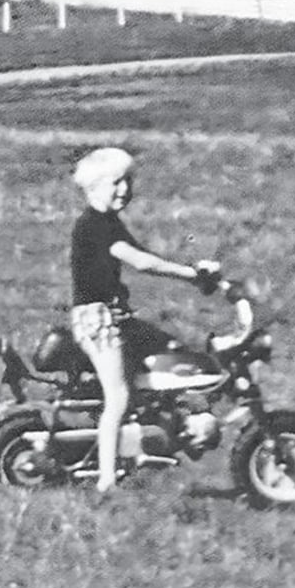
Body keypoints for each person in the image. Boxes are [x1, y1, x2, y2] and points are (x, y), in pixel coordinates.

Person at [68, 147, 220, 492]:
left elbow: (142, 255)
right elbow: (140, 261)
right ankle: (107, 480)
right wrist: (191, 274)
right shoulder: (92, 225)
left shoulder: (110, 223)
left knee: (175, 355)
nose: (124, 189)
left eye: (128, 182)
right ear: (93, 188)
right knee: (118, 395)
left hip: (117, 317)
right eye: (116, 183)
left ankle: (167, 432)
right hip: (97, 320)